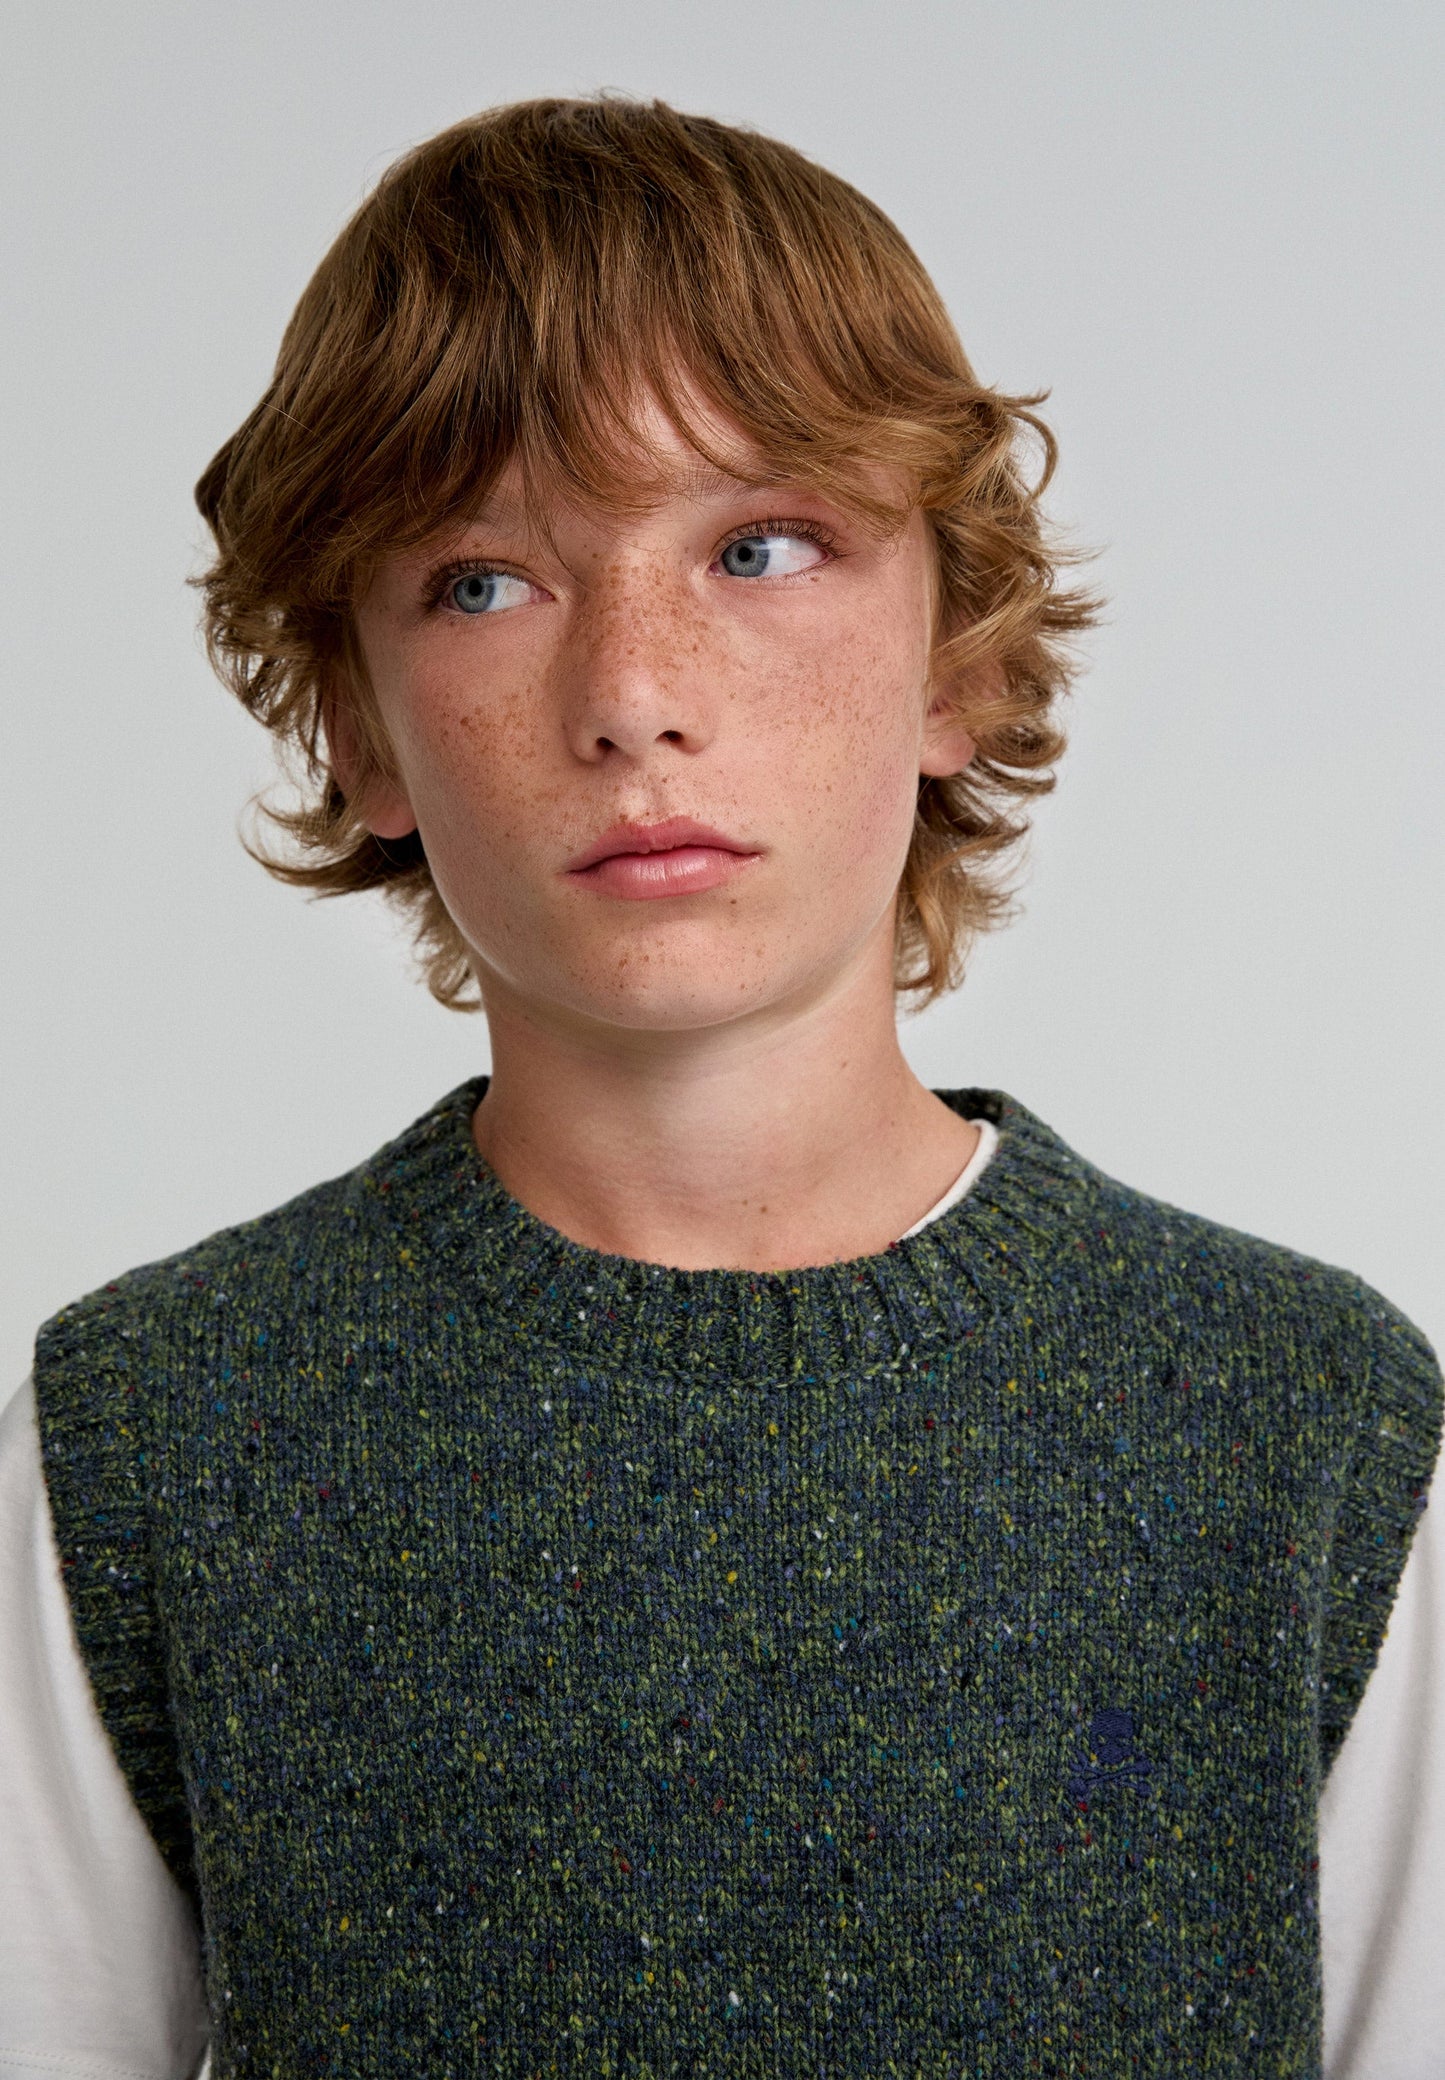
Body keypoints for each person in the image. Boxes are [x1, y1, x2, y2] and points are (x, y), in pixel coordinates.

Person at [1, 96, 1439, 2080]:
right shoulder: (151, 1443)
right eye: (483, 580)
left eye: (761, 548)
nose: (633, 693)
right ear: (358, 724)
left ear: (956, 659)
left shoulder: (1309, 1428)